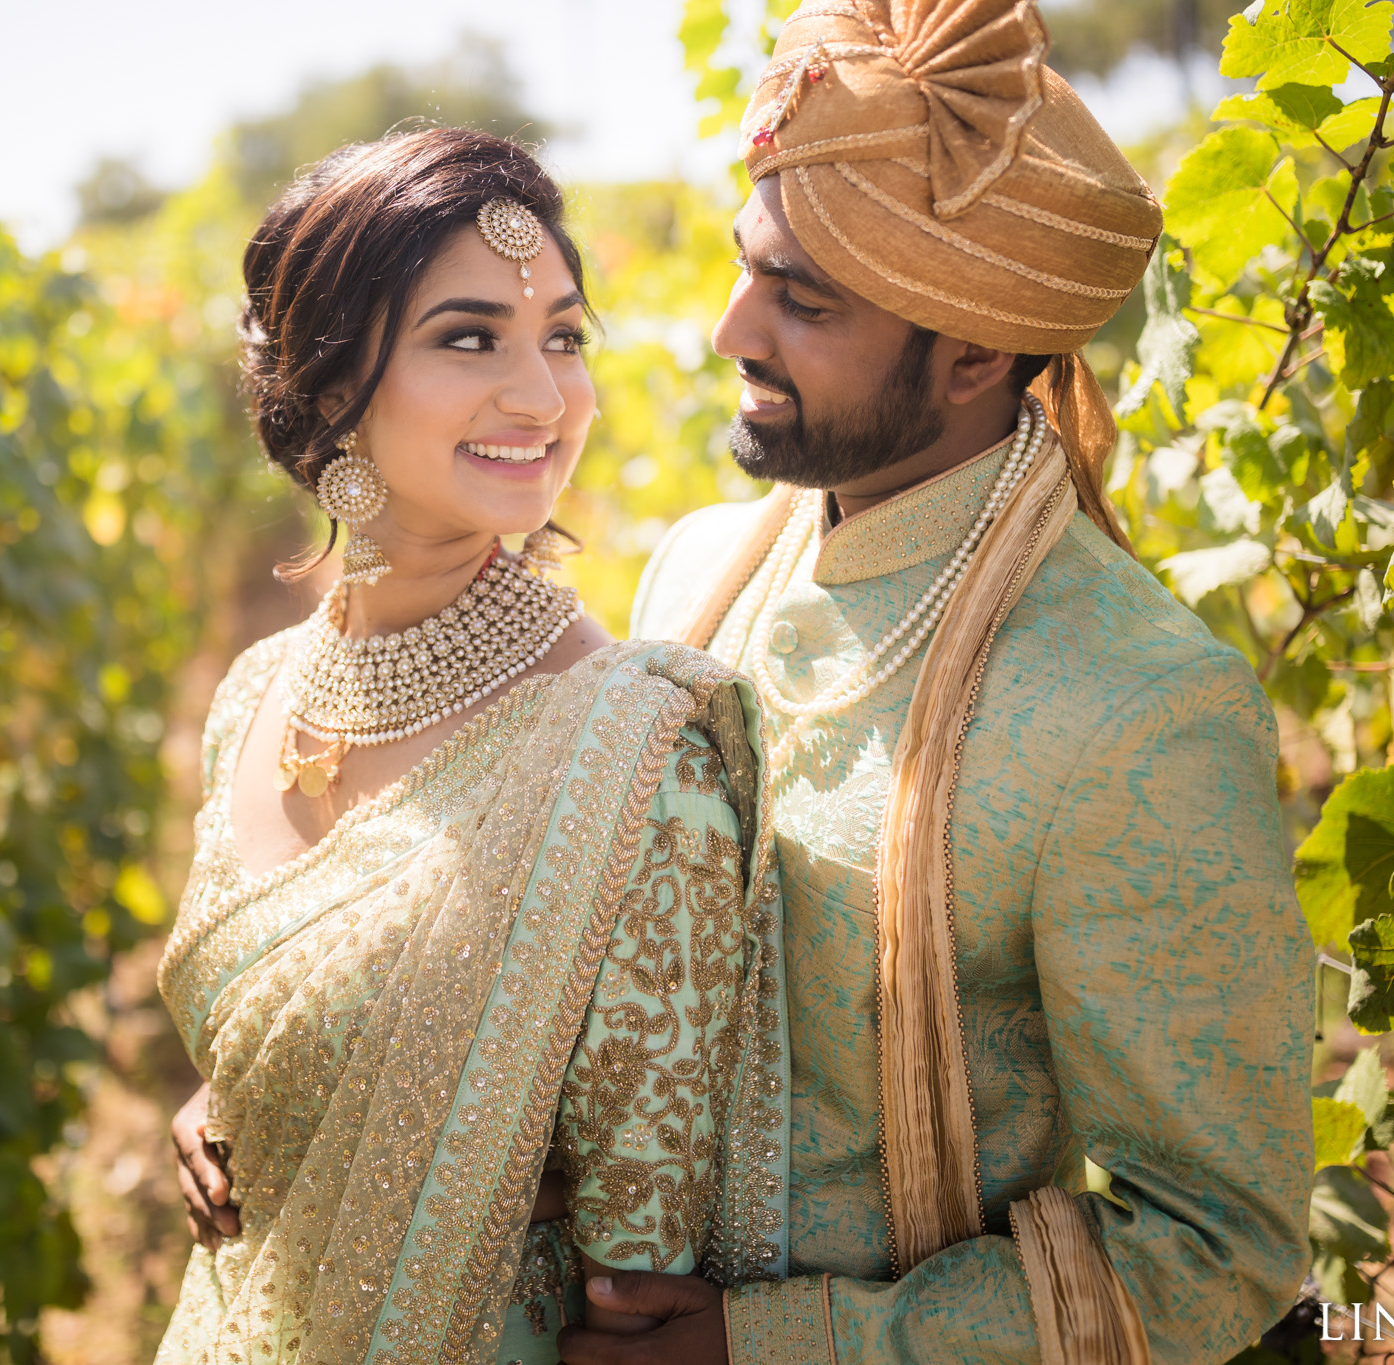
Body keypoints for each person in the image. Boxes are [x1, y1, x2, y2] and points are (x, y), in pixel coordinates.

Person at [564, 0, 1318, 1360]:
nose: (732, 328)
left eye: (804, 301)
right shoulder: (693, 573)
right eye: (749, 267)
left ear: (976, 357)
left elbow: (1217, 1249)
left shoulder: (1139, 705)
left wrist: (781, 1345)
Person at [152, 128, 788, 1365]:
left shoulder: (634, 756)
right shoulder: (253, 694)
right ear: (328, 381)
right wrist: (246, 1095)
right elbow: (312, 1021)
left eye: (561, 335)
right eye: (468, 337)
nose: (544, 398)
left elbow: (636, 1292)